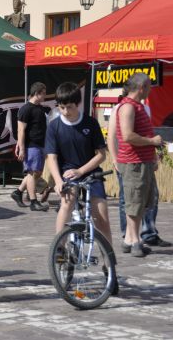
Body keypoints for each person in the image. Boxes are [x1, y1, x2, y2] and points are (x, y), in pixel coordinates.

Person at [45, 82, 112, 245]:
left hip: (90, 172)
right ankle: (59, 249)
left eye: (69, 107)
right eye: (61, 107)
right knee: (66, 204)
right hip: (67, 172)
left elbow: (101, 155)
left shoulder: (91, 123)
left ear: (78, 104)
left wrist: (81, 171)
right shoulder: (54, 126)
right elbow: (51, 157)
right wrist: (58, 181)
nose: (65, 111)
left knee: (101, 213)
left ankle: (108, 256)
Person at [107, 96, 171, 248]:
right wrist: (115, 159)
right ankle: (128, 236)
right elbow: (112, 136)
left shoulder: (144, 108)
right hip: (128, 161)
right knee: (128, 199)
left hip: (144, 160)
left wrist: (153, 156)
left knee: (150, 197)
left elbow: (147, 135)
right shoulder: (121, 108)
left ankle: (148, 233)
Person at [115, 73, 163, 258]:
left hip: (142, 162)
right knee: (134, 203)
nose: (151, 90)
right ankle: (135, 241)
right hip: (133, 163)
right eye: (149, 86)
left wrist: (152, 155)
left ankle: (129, 240)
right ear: (142, 87)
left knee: (142, 203)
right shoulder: (127, 107)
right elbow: (127, 136)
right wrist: (152, 141)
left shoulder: (137, 106)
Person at [11, 82, 49, 211]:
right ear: (37, 93)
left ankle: (18, 192)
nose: (45, 96)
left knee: (36, 172)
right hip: (31, 145)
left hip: (40, 144)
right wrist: (21, 148)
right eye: (43, 93)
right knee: (32, 173)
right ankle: (33, 201)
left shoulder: (40, 108)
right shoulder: (26, 109)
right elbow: (21, 130)